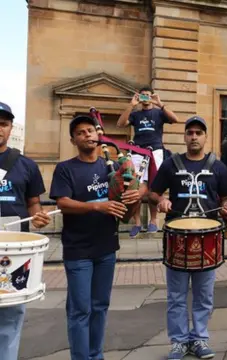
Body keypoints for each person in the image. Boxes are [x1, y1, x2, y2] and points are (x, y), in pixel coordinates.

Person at [50, 115, 142, 360]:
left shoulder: (110, 168)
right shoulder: (65, 169)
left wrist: (135, 197)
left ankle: (96, 355)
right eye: (80, 132)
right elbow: (62, 202)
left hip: (106, 247)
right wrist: (98, 207)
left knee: (100, 307)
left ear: (98, 135)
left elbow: (125, 213)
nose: (87, 135)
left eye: (91, 130)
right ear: (73, 139)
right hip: (77, 249)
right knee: (80, 310)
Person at [149, 116, 227, 360]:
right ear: (185, 136)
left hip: (208, 236)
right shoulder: (171, 165)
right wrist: (161, 200)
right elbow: (152, 193)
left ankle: (199, 339)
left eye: (199, 132)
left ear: (205, 137)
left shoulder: (217, 166)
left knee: (204, 294)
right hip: (177, 235)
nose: (194, 136)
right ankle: (178, 341)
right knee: (176, 295)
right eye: (190, 133)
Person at [0, 101, 51, 360]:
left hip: (14, 253)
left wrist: (38, 217)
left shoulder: (26, 165)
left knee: (10, 314)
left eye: (3, 124)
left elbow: (33, 203)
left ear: (10, 128)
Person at [117, 86, 179, 237]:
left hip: (155, 151)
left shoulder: (158, 112)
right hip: (137, 152)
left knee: (154, 187)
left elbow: (175, 119)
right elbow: (120, 124)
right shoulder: (136, 114)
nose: (145, 98)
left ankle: (153, 221)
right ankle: (137, 223)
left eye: (147, 95)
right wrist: (131, 104)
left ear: (151, 96)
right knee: (133, 187)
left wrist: (160, 103)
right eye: (142, 95)